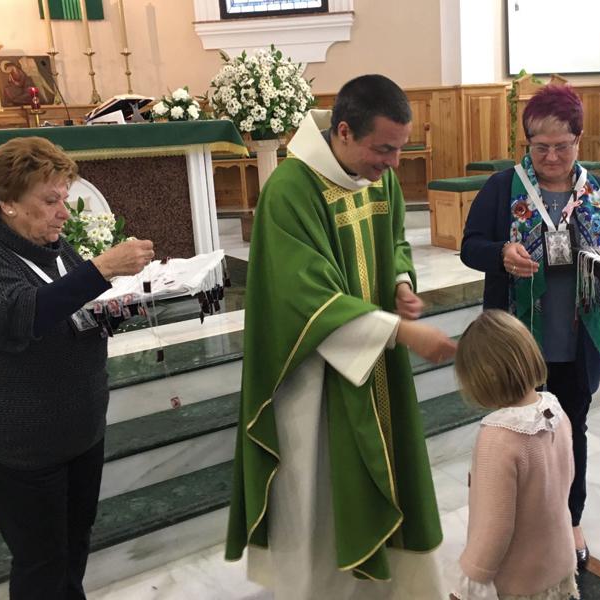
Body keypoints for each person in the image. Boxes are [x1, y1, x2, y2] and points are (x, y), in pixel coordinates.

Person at [225, 75, 457, 599]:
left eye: (401, 149)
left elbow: (395, 237)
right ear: (344, 132)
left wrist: (398, 281)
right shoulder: (290, 189)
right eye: (384, 149)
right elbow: (302, 296)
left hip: (376, 359)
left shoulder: (380, 176)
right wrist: (402, 332)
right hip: (311, 375)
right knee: (323, 493)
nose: (394, 163)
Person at [0, 137, 154, 599]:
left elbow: (74, 314)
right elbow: (18, 318)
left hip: (78, 432)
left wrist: (129, 305)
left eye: (65, 197)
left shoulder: (56, 250)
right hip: (20, 443)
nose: (63, 211)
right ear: (7, 203)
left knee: (72, 553)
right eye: (50, 200)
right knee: (41, 566)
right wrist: (102, 268)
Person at [460, 84, 600, 568]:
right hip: (516, 343)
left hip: (577, 340)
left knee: (570, 431)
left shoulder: (599, 193)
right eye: (540, 147)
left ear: (580, 140)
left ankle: (569, 522)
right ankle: (506, 523)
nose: (551, 156)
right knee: (511, 434)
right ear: (527, 143)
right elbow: (470, 246)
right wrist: (499, 253)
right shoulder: (502, 187)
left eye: (562, 145)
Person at [450, 310, 578, 600]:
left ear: (482, 377)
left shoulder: (498, 437)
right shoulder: (554, 411)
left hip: (519, 581)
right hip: (558, 562)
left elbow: (495, 526)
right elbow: (566, 480)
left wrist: (469, 581)